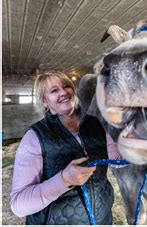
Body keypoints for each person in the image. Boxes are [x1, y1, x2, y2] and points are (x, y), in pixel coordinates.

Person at [10, 71, 121, 224]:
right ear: (44, 101)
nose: (63, 92)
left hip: (103, 218)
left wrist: (142, 151)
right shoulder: (35, 136)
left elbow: (116, 160)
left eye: (66, 86)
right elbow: (18, 205)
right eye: (54, 90)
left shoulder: (95, 123)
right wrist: (63, 180)